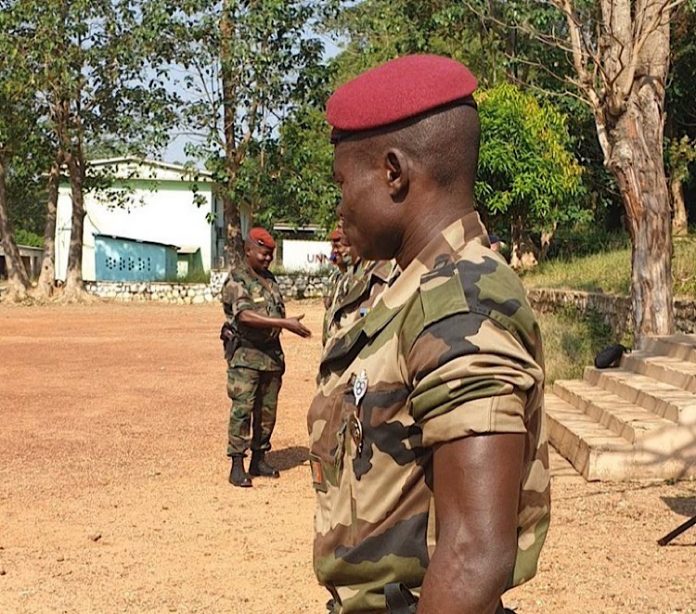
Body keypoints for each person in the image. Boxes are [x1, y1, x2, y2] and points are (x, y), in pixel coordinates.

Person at [307, 54, 550, 613]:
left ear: (393, 173)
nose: (339, 205)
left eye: (343, 183)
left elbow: (475, 553)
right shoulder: (417, 291)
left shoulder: (458, 304)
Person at [221, 227, 311, 488]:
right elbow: (245, 316)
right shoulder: (237, 279)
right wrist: (285, 323)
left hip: (271, 356)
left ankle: (259, 459)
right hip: (246, 356)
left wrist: (282, 325)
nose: (267, 258)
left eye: (270, 254)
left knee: (267, 411)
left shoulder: (269, 279)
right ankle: (237, 464)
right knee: (243, 409)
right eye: (263, 253)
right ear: (248, 250)